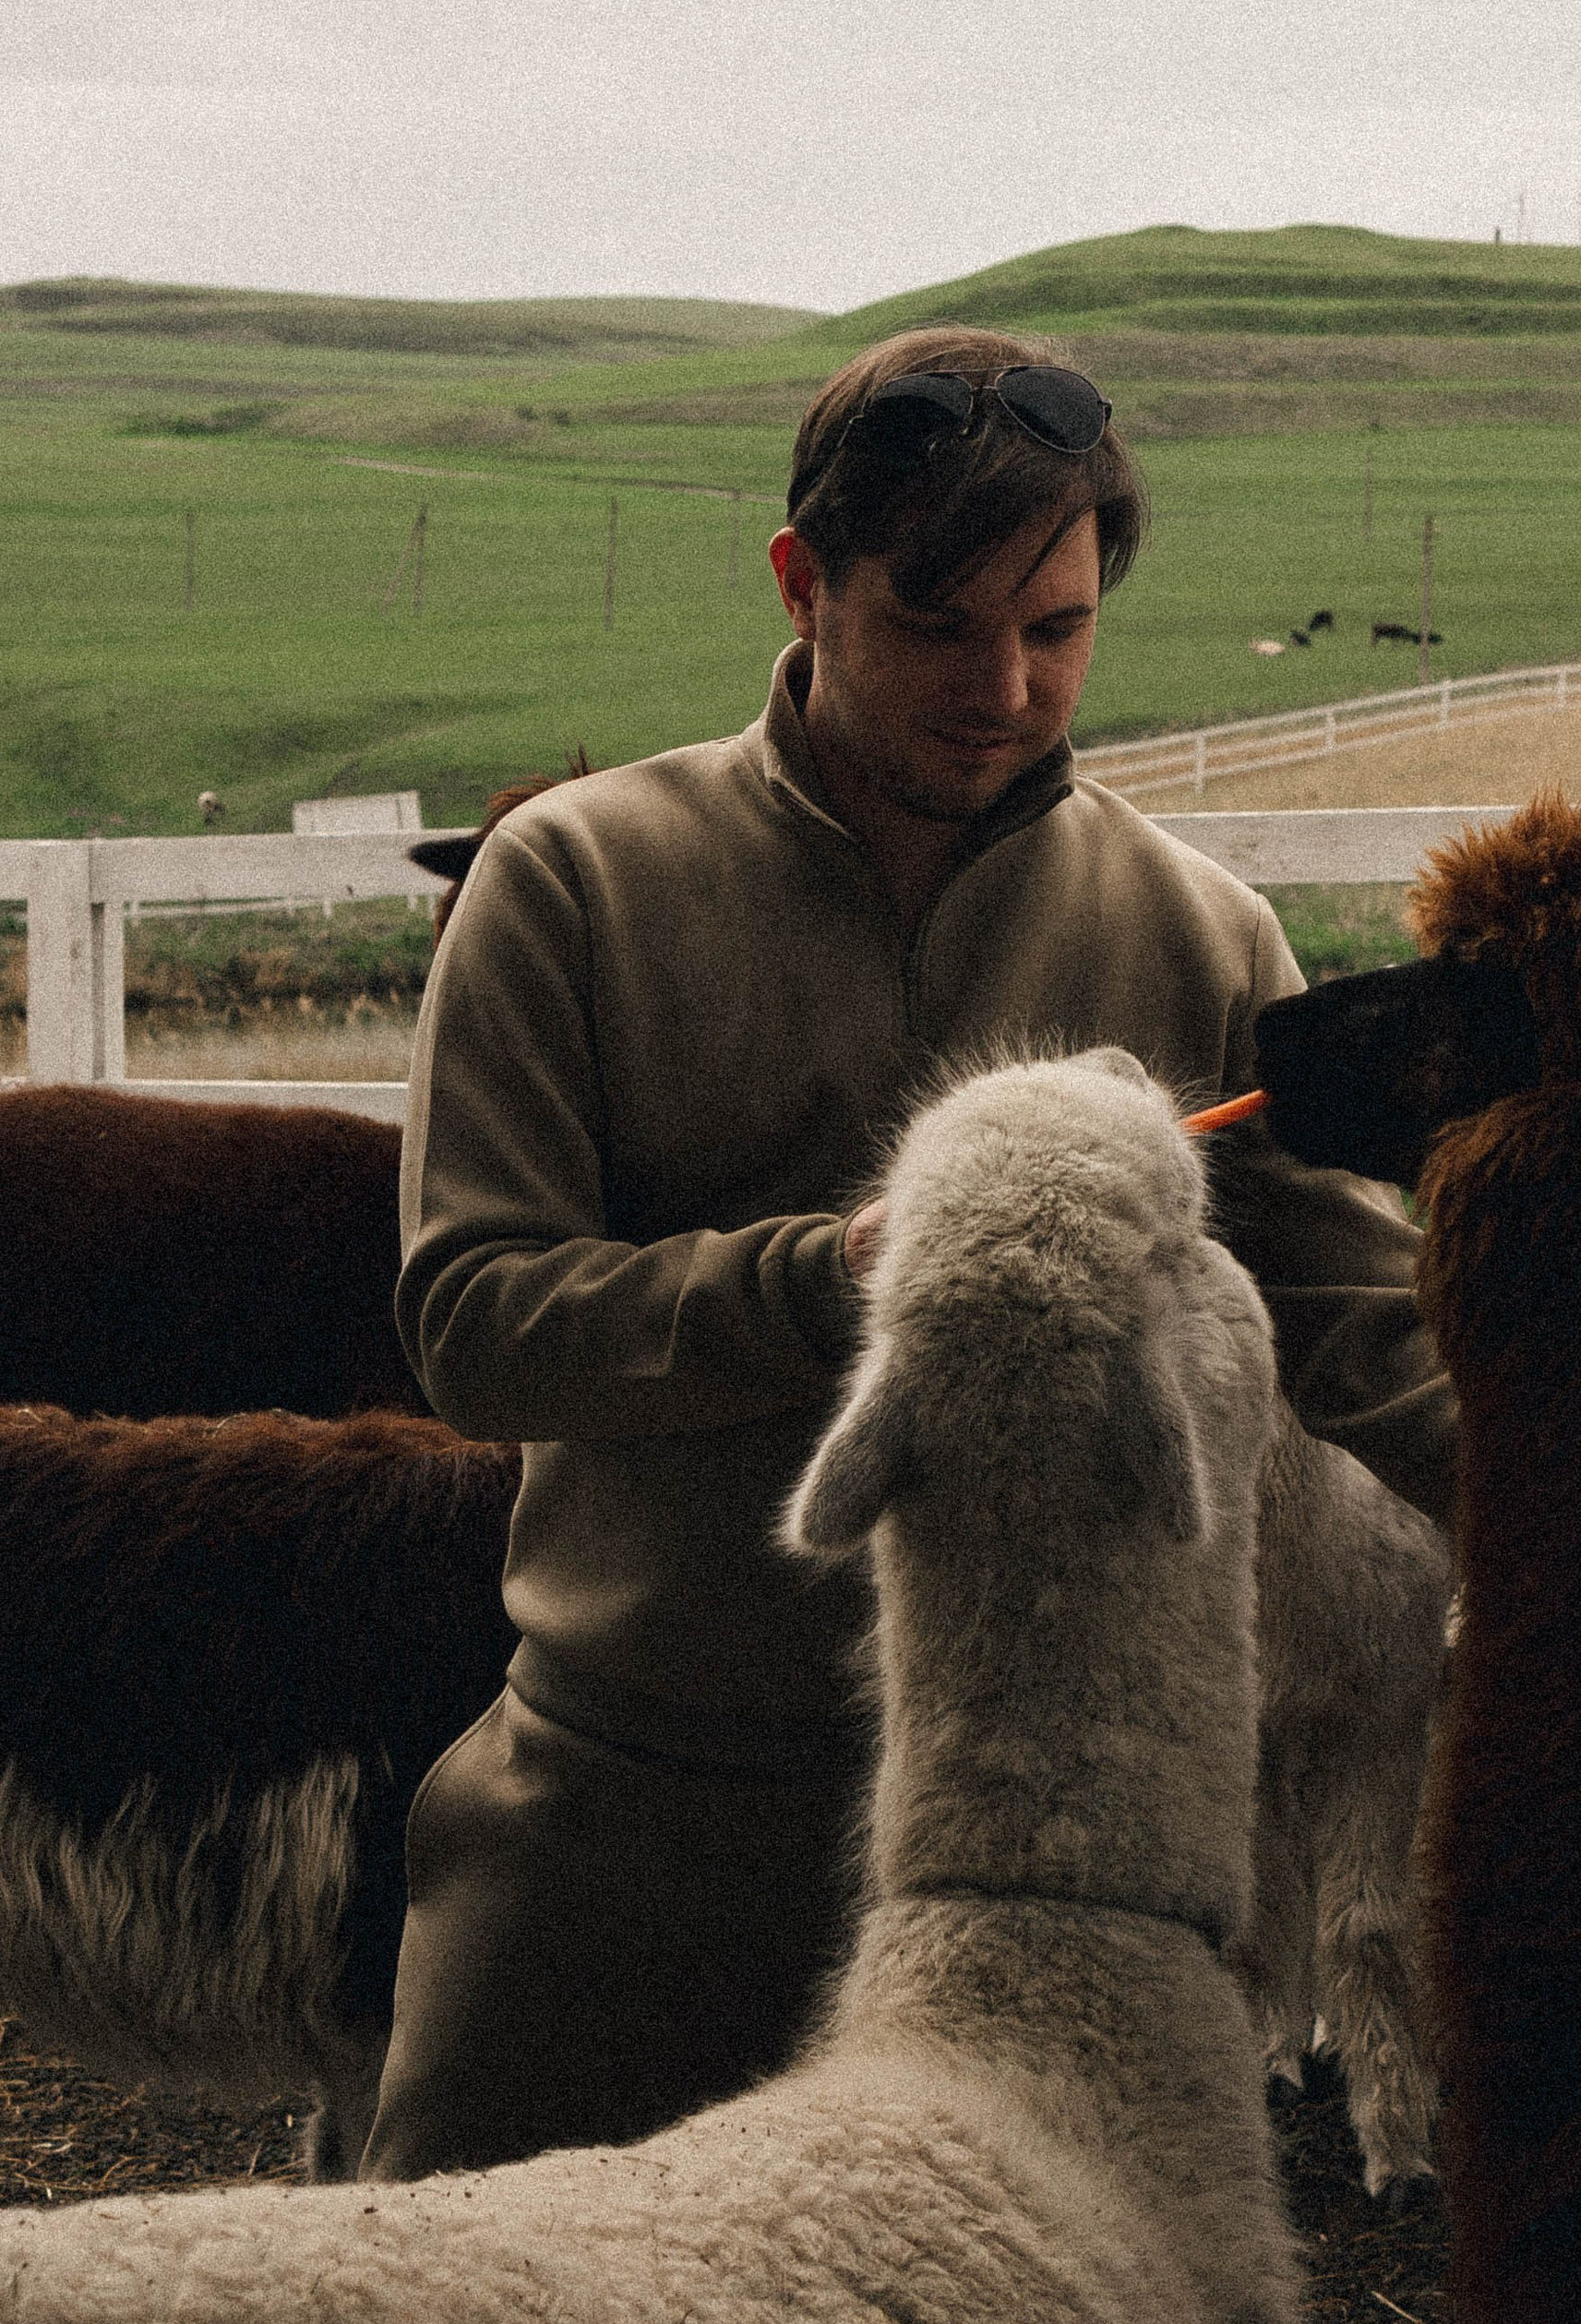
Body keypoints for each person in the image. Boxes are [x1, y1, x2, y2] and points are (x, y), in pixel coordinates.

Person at [359, 322, 1453, 2183]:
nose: (1005, 684)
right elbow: (474, 1322)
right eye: (935, 624)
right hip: (626, 1815)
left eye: (1056, 625)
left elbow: (1376, 1337)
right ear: (803, 582)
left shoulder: (1202, 937)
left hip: (1047, 1872)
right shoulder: (571, 886)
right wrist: (841, 1282)